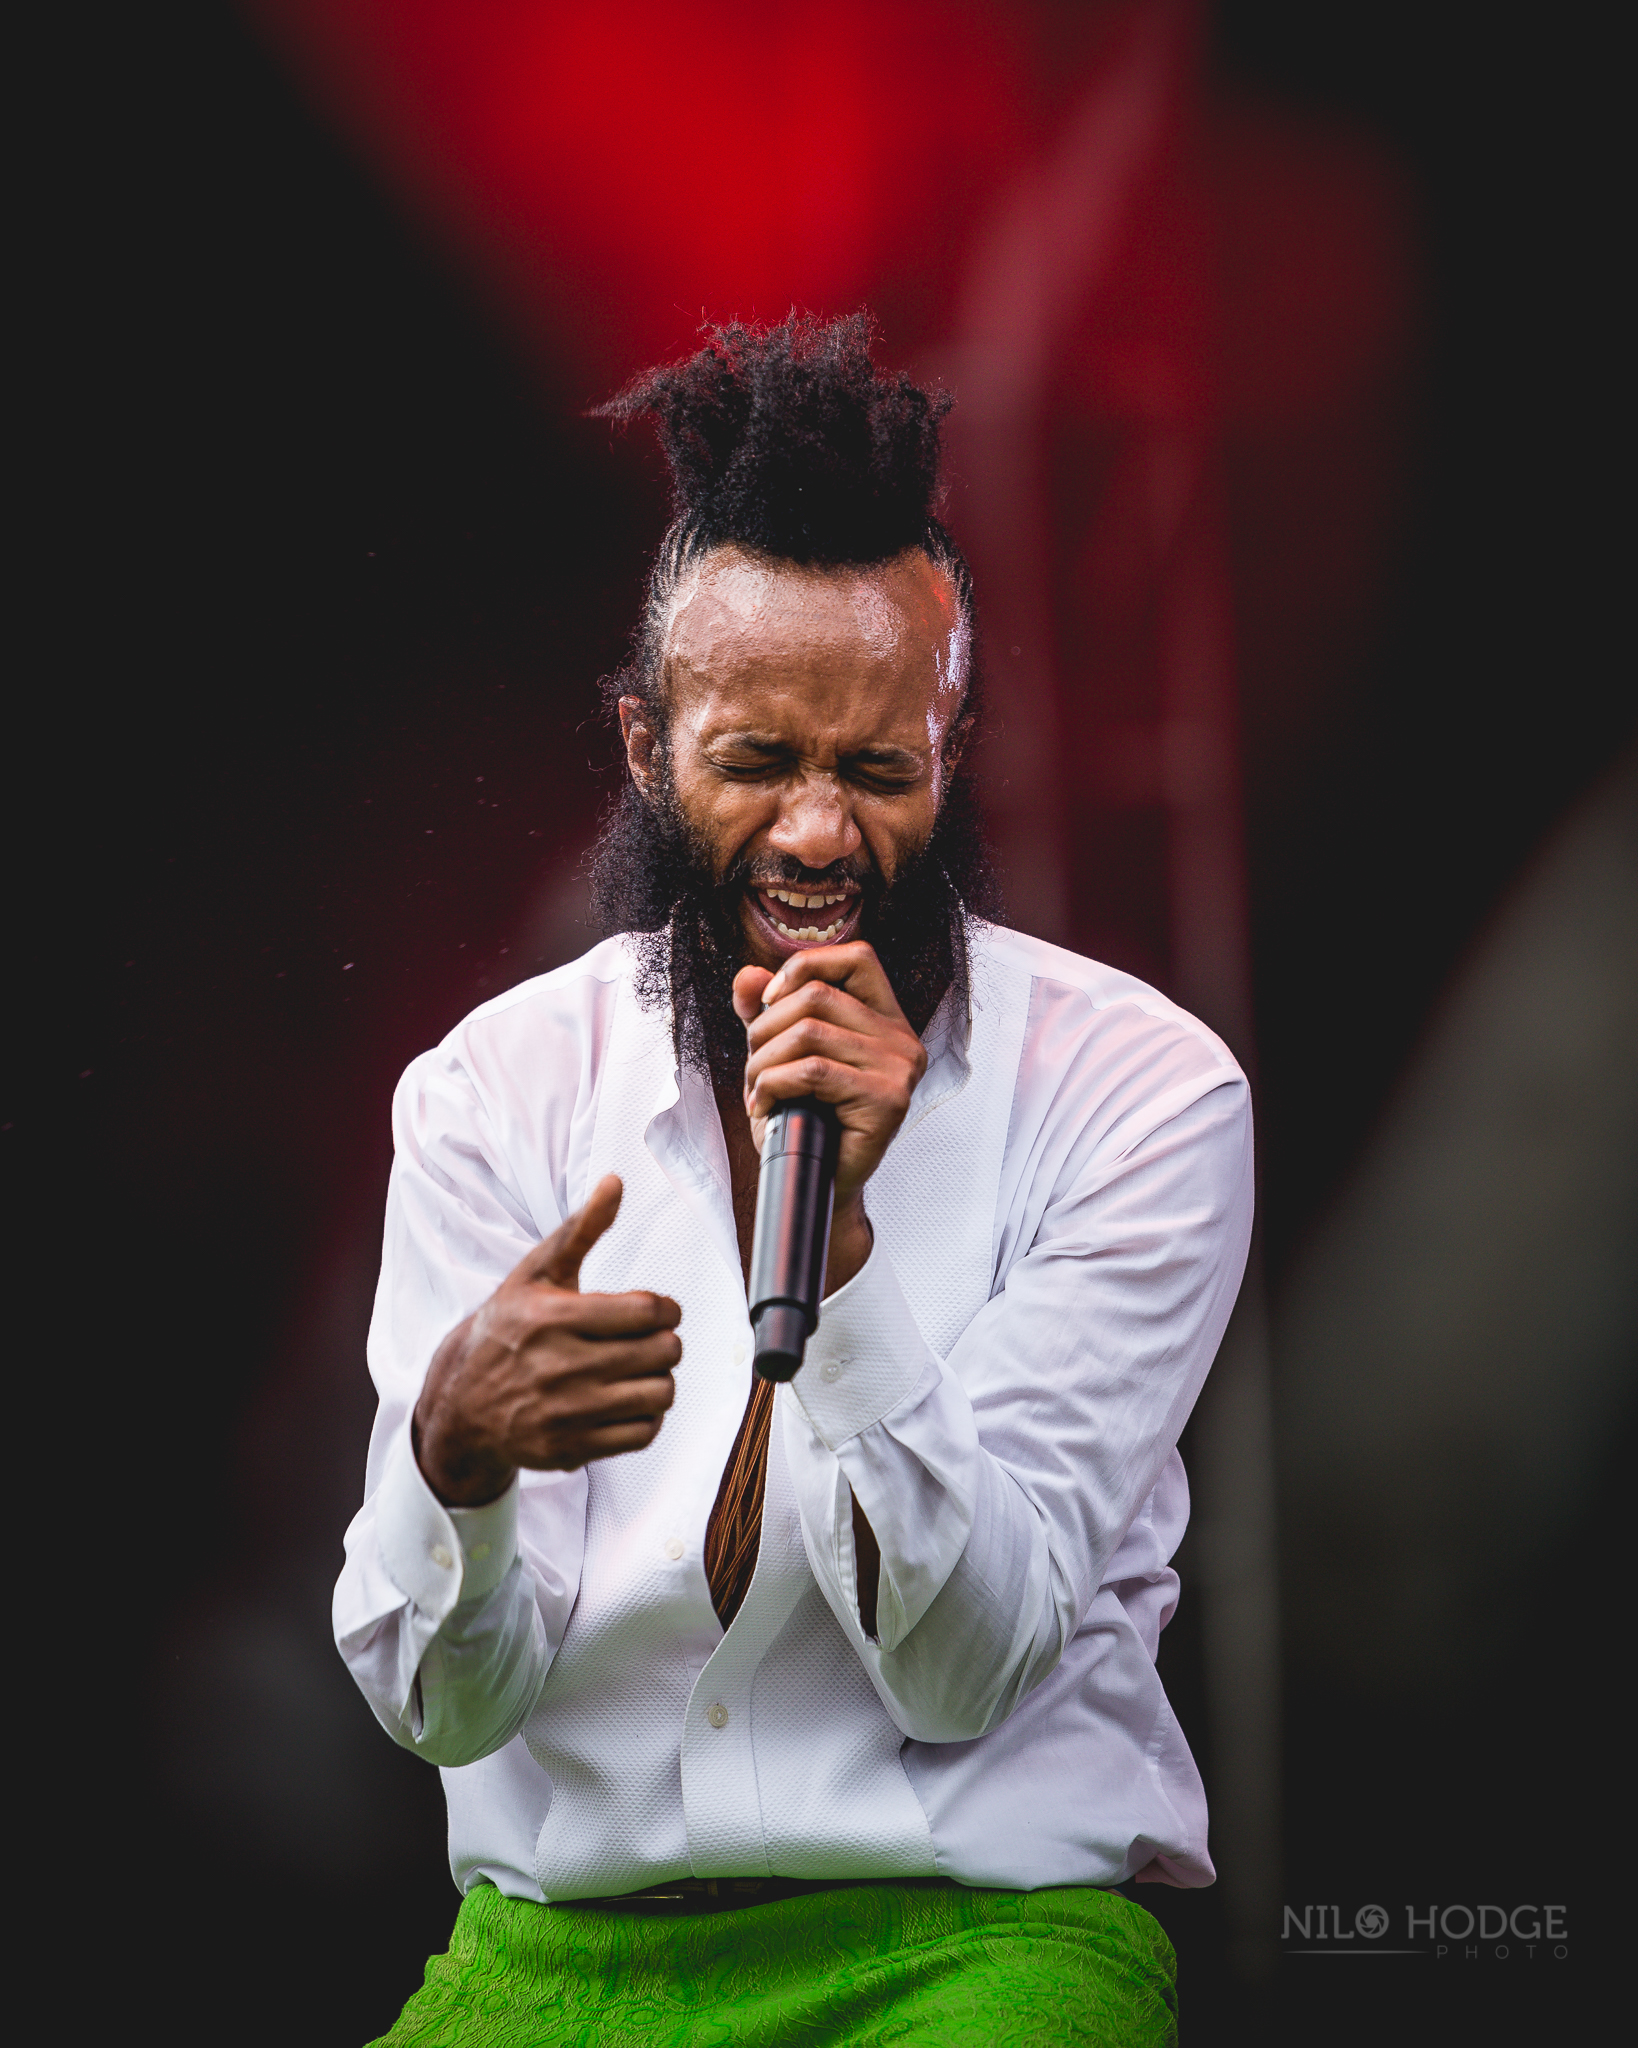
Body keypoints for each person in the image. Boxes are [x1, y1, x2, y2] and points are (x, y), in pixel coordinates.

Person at [335, 313, 1252, 2045]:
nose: (819, 836)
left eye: (875, 769)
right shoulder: (492, 1097)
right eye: (756, 762)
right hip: (560, 1963)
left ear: (953, 745)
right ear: (642, 751)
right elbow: (443, 1716)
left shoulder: (1139, 1097)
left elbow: (963, 1670)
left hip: (973, 1946)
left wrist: (836, 1271)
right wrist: (451, 1463)